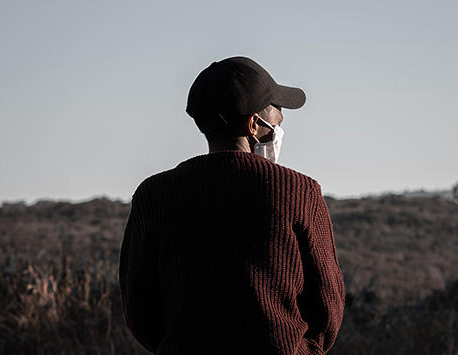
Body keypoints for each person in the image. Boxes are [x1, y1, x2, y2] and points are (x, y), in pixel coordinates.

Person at [119, 56, 345, 354]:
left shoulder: (153, 195)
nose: (278, 128)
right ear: (254, 124)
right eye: (278, 119)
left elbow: (139, 310)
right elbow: (327, 307)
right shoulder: (300, 192)